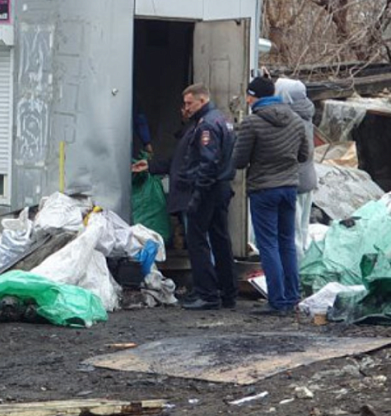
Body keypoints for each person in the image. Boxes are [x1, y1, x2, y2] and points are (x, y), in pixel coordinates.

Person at [134, 84, 237, 310]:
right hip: (219, 188)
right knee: (220, 240)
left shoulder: (206, 126)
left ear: (202, 100)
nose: (186, 108)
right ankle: (226, 292)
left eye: (190, 103)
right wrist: (152, 166)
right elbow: (184, 160)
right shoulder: (220, 120)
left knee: (197, 242)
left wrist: (197, 195)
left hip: (206, 190)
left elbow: (206, 164)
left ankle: (208, 294)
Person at [233, 76, 310, 315]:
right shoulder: (296, 121)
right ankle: (292, 297)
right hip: (289, 188)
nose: (247, 99)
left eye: (249, 95)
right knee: (287, 242)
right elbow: (304, 155)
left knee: (268, 245)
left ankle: (276, 301)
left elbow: (239, 161)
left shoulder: (252, 123)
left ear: (254, 96)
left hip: (264, 190)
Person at [274, 78, 317, 260]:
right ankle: (301, 268)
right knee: (302, 229)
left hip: (294, 181)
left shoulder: (289, 118)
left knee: (291, 233)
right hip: (307, 179)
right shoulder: (306, 112)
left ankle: (295, 271)